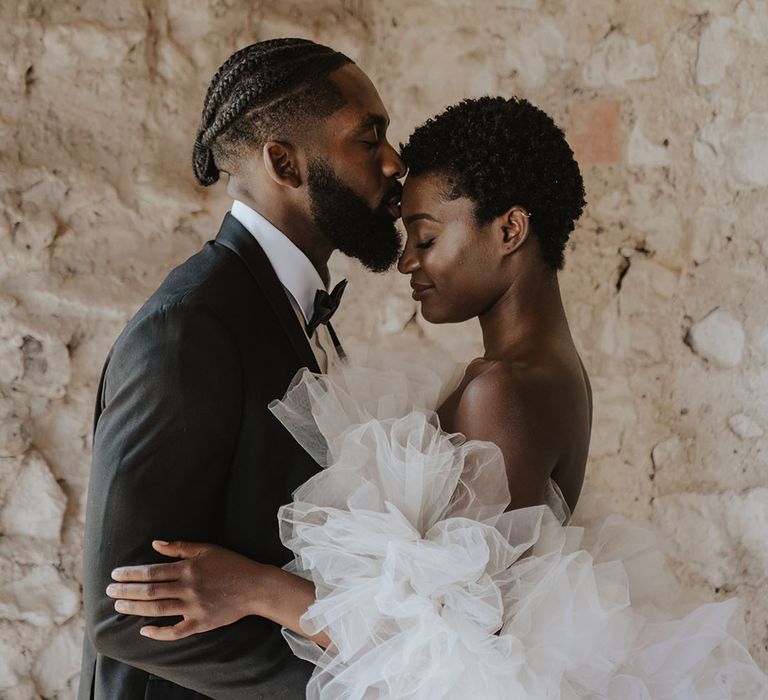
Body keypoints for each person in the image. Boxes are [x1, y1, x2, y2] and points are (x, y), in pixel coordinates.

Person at [107, 98, 768, 698]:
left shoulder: (504, 390)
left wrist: (254, 587)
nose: (407, 263)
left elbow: (457, 640)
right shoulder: (540, 371)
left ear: (510, 230)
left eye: (425, 238)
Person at [79, 38, 406, 700]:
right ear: (284, 162)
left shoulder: (278, 307)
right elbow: (123, 617)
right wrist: (358, 683)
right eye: (369, 139)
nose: (395, 162)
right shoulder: (189, 329)